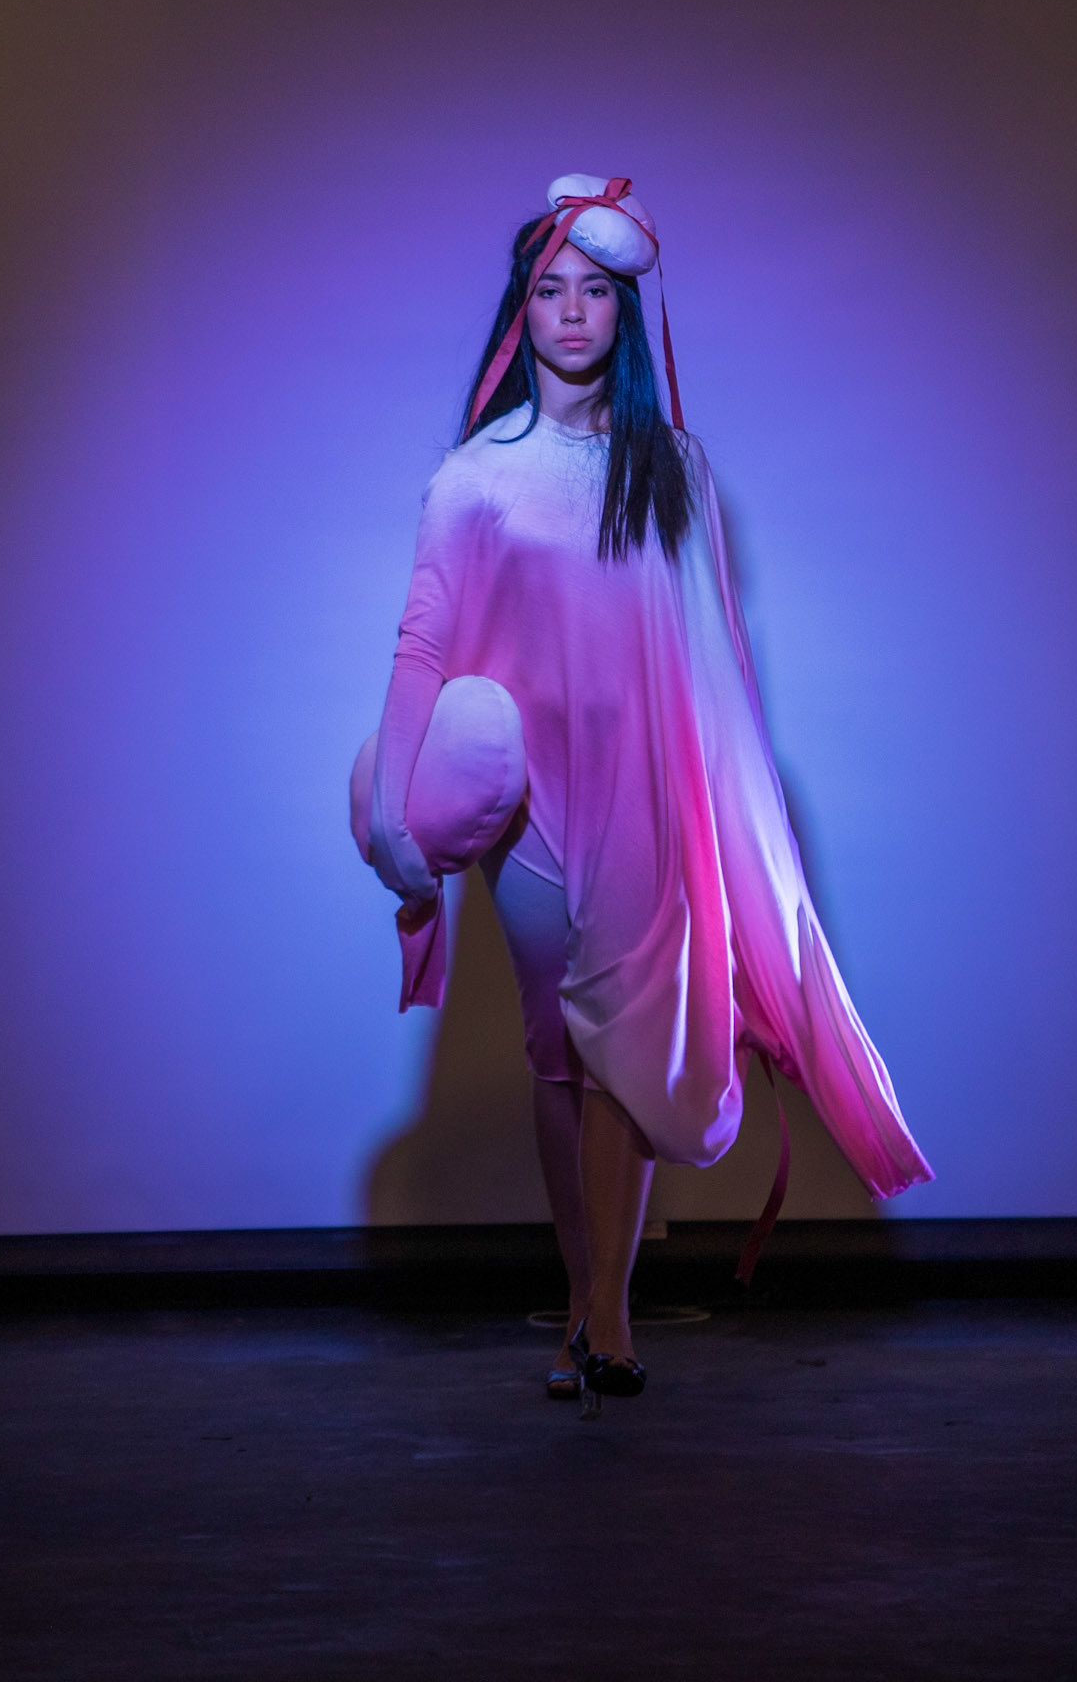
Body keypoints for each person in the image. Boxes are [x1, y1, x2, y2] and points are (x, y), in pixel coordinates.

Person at [356, 174, 933, 1409]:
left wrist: (724, 822)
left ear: (624, 311)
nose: (572, 311)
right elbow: (423, 642)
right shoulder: (474, 476)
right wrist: (394, 814)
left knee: (619, 1042)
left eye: (595, 291)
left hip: (643, 796)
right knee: (561, 1056)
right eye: (550, 289)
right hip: (525, 808)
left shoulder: (672, 468)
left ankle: (609, 1318)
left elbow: (710, 658)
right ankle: (581, 1298)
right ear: (522, 309)